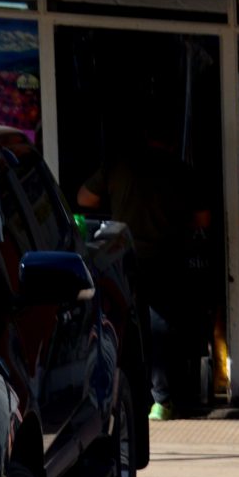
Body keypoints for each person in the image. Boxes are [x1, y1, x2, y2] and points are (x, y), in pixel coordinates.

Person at [77, 129, 213, 417]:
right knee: (162, 324)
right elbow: (203, 219)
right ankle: (162, 398)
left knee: (121, 323)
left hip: (122, 257)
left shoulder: (117, 165)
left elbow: (84, 198)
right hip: (167, 257)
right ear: (171, 140)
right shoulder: (181, 171)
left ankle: (127, 395)